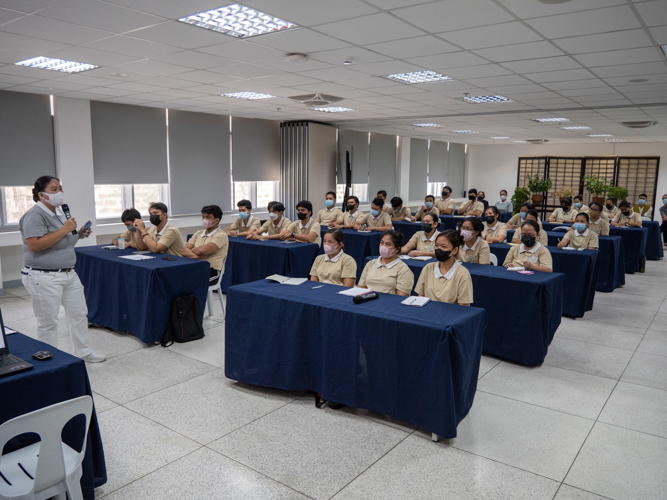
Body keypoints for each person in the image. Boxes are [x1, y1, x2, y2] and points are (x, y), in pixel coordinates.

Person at [18, 176, 105, 363]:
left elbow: (62, 240)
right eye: (54, 189)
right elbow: (34, 245)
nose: (60, 193)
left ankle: (83, 351)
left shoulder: (58, 212)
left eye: (60, 188)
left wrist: (78, 233)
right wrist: (65, 229)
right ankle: (49, 360)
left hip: (68, 273)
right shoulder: (34, 215)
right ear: (41, 195)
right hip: (43, 276)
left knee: (79, 313)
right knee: (48, 322)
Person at [415, 230, 473, 306]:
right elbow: (420, 296)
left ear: (455, 250)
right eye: (436, 245)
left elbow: (463, 305)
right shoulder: (428, 268)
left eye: (443, 246)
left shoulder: (462, 273)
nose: (438, 249)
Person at [182, 205, 228, 286]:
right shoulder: (198, 233)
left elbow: (204, 250)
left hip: (211, 271)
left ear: (216, 220)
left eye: (208, 217)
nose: (204, 220)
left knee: (189, 282)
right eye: (203, 217)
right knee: (176, 278)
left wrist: (193, 250)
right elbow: (184, 251)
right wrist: (197, 256)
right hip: (195, 267)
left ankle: (194, 299)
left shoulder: (221, 235)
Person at [357, 230, 414, 296]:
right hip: (368, 301)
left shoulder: (403, 269)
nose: (383, 246)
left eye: (388, 244)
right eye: (382, 243)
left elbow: (401, 298)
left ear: (397, 249)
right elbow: (361, 289)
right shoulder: (370, 263)